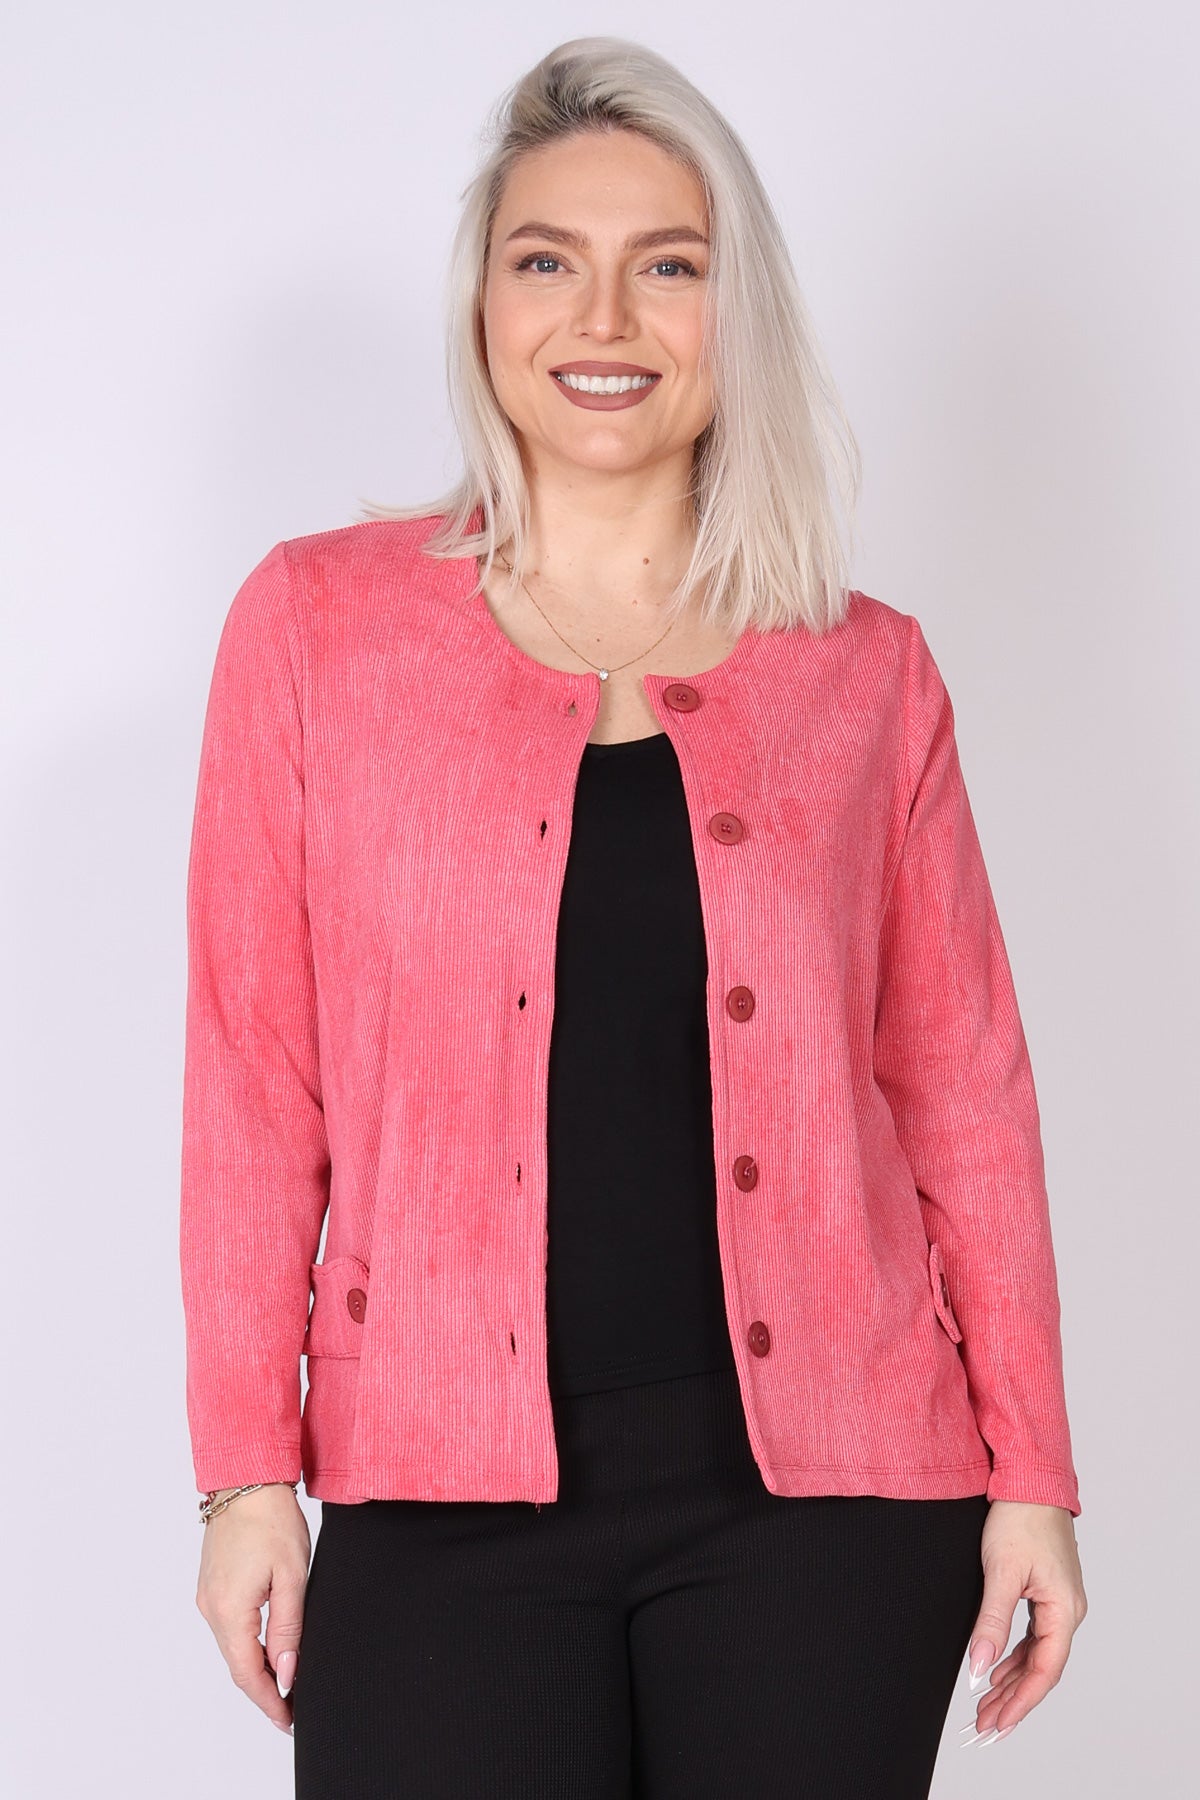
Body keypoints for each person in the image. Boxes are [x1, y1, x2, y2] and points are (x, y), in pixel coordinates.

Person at [181, 35, 1087, 1800]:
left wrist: (1034, 1474)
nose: (604, 316)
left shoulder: (866, 675)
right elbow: (252, 1083)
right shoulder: (313, 632)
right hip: (432, 1498)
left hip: (829, 1517)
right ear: (483, 305)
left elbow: (965, 1096)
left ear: (734, 315)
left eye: (668, 265)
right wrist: (242, 1477)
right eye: (549, 260)